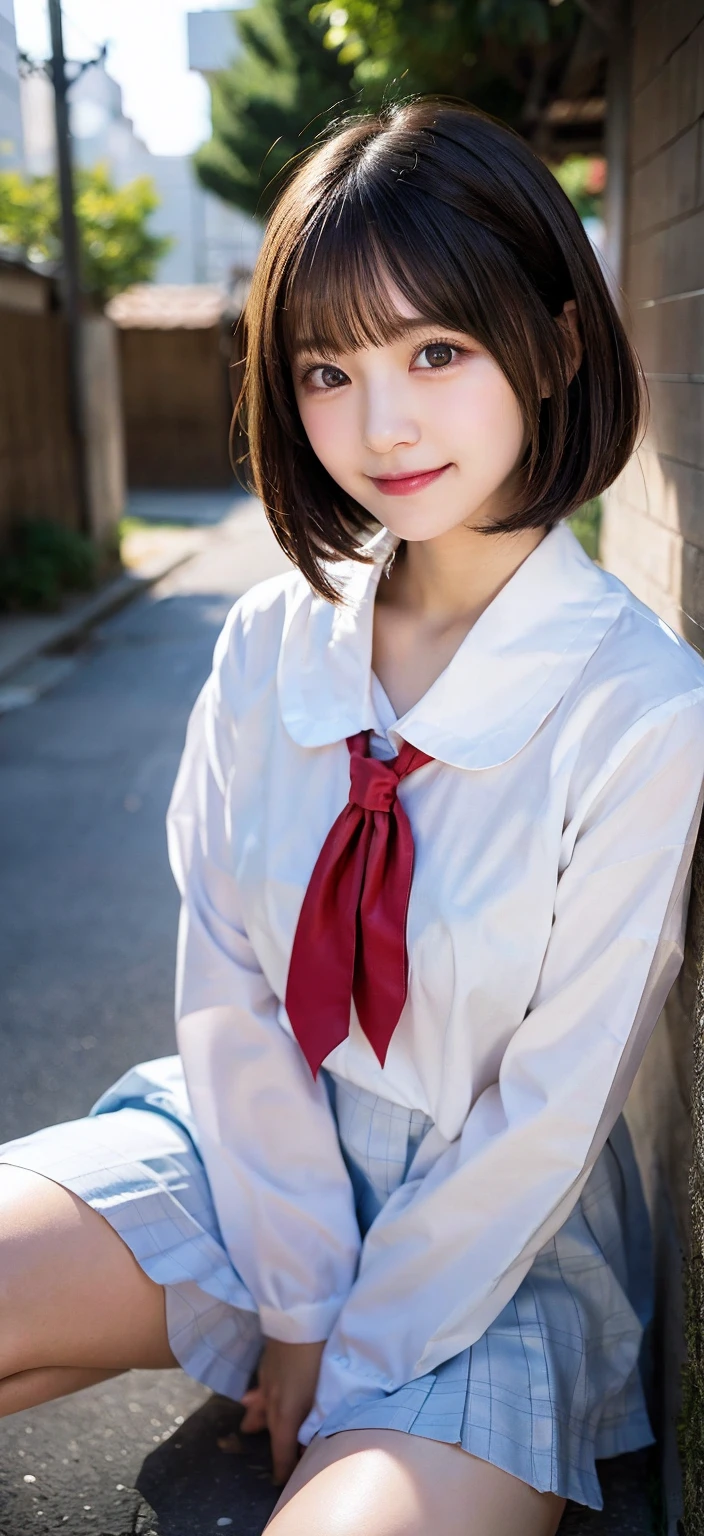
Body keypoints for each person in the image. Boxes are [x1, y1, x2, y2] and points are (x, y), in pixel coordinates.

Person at [2, 99, 704, 1536]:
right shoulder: (270, 643)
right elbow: (234, 987)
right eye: (329, 367)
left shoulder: (641, 709)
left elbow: (546, 1115)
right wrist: (296, 1296)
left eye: (436, 352)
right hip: (245, 1150)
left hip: (489, 1243)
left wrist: (352, 1349)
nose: (381, 425)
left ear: (558, 343)